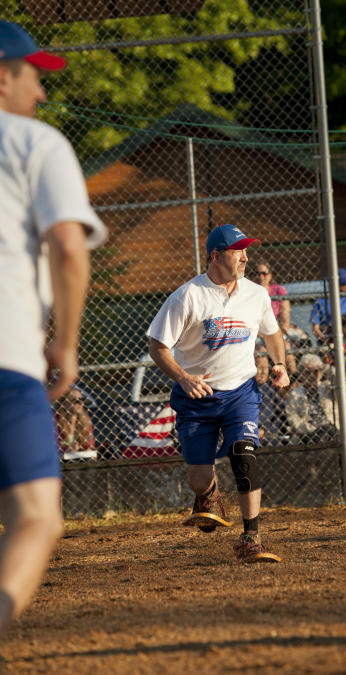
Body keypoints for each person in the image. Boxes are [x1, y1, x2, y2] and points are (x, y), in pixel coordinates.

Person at [0, 21, 107, 636]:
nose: (41, 92)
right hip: (8, 362)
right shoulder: (36, 144)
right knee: (37, 516)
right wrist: (63, 345)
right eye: (33, 75)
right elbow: (69, 249)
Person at [147, 224, 290, 563]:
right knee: (199, 478)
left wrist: (280, 364)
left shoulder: (255, 294)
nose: (245, 256)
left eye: (245, 249)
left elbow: (272, 334)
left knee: (244, 454)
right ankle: (209, 494)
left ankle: (250, 537)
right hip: (196, 397)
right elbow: (157, 346)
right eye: (237, 250)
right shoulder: (189, 296)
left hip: (241, 391)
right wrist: (183, 378)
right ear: (215, 256)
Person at [283, 353, 338, 445]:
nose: (312, 375)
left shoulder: (328, 388)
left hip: (332, 430)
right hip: (308, 434)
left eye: (316, 371)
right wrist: (312, 429)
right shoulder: (294, 394)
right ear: (301, 374)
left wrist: (325, 367)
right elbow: (293, 419)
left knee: (328, 430)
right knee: (322, 433)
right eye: (308, 372)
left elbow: (343, 384)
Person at [310, 268, 346, 344]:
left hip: (345, 340)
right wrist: (324, 338)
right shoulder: (319, 302)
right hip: (326, 341)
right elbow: (315, 328)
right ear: (336, 285)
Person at [54, 387, 96, 461]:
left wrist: (88, 449)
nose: (80, 403)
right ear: (64, 404)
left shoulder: (85, 420)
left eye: (82, 400)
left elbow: (90, 444)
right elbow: (56, 446)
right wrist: (68, 446)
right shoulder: (56, 421)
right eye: (76, 401)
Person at [255, 353, 287, 444]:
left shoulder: (271, 389)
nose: (263, 372)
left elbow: (280, 414)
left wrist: (265, 430)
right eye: (259, 367)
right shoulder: (244, 389)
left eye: (265, 368)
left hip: (269, 432)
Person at [254, 260, 290, 333]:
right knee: (262, 345)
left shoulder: (279, 290)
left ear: (270, 275)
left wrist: (281, 331)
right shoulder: (250, 292)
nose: (261, 277)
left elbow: (285, 318)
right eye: (257, 273)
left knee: (288, 344)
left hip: (276, 325)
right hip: (257, 328)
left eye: (264, 273)